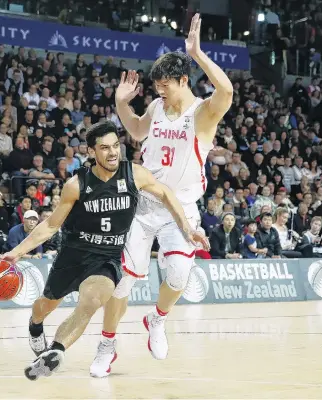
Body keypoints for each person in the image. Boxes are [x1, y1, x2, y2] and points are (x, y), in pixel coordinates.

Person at [1, 121, 209, 380]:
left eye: (115, 146)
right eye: (104, 148)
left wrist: (187, 228)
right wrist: (17, 252)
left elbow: (166, 194)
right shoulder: (76, 185)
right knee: (44, 306)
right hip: (73, 255)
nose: (112, 153)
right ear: (91, 152)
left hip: (106, 259)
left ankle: (55, 351)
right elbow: (51, 225)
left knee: (90, 303)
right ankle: (35, 327)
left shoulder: (134, 174)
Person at [91, 13, 232, 375]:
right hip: (142, 205)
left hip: (180, 209)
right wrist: (122, 104)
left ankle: (157, 319)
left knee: (179, 277)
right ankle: (107, 344)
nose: (160, 92)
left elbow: (227, 91)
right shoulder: (156, 107)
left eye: (166, 86)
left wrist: (197, 54)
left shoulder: (202, 113)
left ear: (184, 80)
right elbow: (137, 132)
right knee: (122, 281)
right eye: (157, 87)